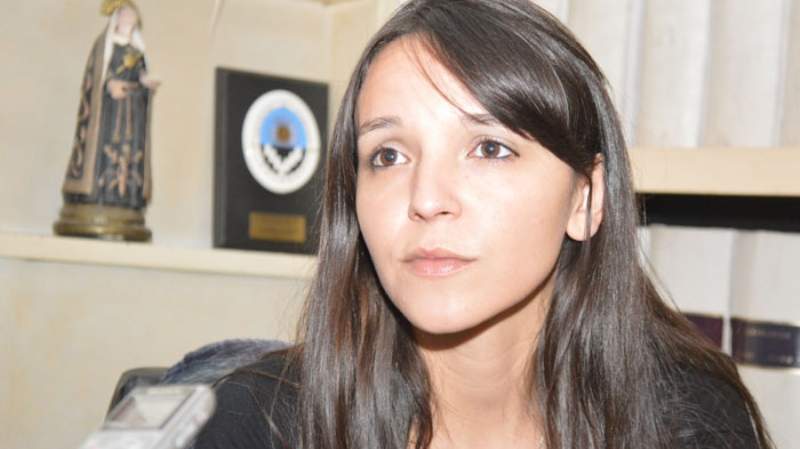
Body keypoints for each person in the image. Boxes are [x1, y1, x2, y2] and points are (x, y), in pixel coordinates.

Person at [194, 1, 774, 448]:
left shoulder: (691, 422)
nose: (427, 199)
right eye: (389, 155)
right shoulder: (252, 425)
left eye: (490, 148)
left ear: (586, 197)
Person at [56, 0, 159, 239]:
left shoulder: (137, 51)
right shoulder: (105, 46)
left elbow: (140, 75)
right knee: (105, 149)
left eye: (132, 17)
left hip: (132, 108)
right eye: (125, 16)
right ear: (117, 18)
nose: (128, 20)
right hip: (109, 113)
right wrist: (110, 84)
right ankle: (98, 193)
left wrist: (146, 82)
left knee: (130, 149)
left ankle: (125, 196)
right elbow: (97, 76)